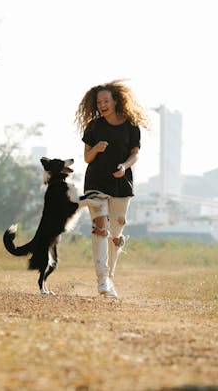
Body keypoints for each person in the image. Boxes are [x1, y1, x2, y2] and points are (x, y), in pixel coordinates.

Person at [75, 80, 150, 297]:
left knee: (115, 234)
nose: (102, 105)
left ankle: (110, 278)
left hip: (121, 184)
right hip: (96, 183)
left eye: (106, 100)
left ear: (116, 101)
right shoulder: (94, 127)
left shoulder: (131, 126)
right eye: (99, 102)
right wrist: (97, 148)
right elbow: (87, 158)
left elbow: (135, 153)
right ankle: (102, 281)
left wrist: (124, 166)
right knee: (100, 228)